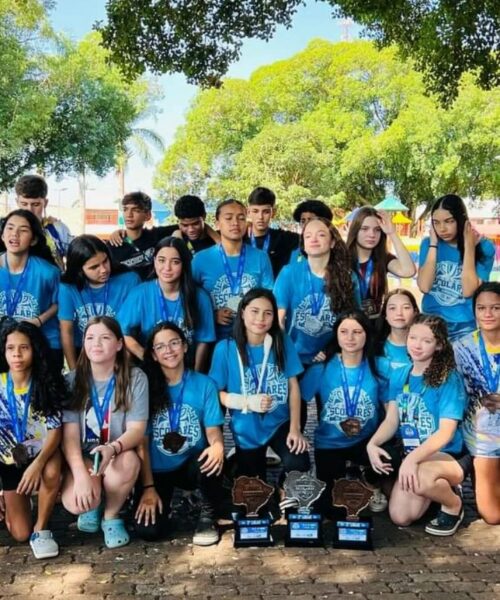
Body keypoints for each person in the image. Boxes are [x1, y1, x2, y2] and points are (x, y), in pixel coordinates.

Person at [367, 314, 469, 536]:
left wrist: (411, 460)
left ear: (439, 345)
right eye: (413, 338)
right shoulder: (401, 374)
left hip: (448, 455)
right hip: (417, 455)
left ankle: (452, 504)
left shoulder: (448, 378)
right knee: (400, 517)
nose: (417, 345)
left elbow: (445, 433)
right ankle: (435, 489)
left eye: (427, 340)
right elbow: (392, 419)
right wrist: (372, 444)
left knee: (421, 479)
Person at [209, 289, 309, 496]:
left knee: (299, 460)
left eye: (268, 313)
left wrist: (295, 428)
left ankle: (283, 488)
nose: (260, 319)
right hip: (247, 429)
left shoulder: (281, 341)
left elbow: (293, 386)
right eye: (254, 311)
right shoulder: (225, 348)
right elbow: (216, 394)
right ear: (243, 312)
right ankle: (237, 460)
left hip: (279, 423)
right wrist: (245, 402)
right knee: (253, 492)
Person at [61, 317, 148, 549]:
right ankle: (95, 500)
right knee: (77, 503)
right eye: (90, 338)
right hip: (85, 457)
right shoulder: (70, 381)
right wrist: (80, 475)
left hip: (117, 454)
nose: (96, 344)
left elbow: (137, 430)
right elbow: (69, 436)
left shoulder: (135, 378)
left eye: (105, 337)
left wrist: (113, 448)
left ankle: (111, 514)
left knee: (129, 462)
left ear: (119, 344)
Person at [134, 323, 224, 545]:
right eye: (161, 346)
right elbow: (142, 443)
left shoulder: (205, 384)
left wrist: (218, 445)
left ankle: (207, 515)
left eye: (174, 343)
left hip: (190, 464)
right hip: (155, 470)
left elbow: (213, 430)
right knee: (150, 532)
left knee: (210, 456)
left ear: (184, 347)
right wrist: (148, 488)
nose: (169, 350)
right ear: (153, 355)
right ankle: (167, 513)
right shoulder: (144, 387)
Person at [300, 311, 391, 515]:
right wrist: (296, 431)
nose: (350, 338)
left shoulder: (380, 366)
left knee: (391, 456)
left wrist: (378, 442)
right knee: (332, 511)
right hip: (330, 443)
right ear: (337, 335)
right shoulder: (321, 367)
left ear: (367, 334)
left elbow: (390, 411)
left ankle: (370, 479)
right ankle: (339, 474)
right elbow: (299, 399)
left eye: (357, 332)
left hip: (368, 441)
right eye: (344, 332)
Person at [0, 320, 66, 559]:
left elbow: (55, 431)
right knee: (19, 533)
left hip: (41, 455)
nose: (17, 354)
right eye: (10, 348)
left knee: (51, 469)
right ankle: (16, 504)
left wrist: (37, 465)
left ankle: (42, 528)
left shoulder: (45, 384)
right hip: (8, 461)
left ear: (34, 350)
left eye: (24, 347)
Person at [117, 237, 215, 371]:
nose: (167, 268)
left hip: (186, 369)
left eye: (175, 262)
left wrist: (195, 377)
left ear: (184, 264)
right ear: (155, 261)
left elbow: (203, 341)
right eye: (161, 260)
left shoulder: (200, 297)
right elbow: (122, 332)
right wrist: (147, 358)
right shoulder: (140, 294)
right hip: (152, 370)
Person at [274, 217, 359, 366]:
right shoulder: (289, 273)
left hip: (329, 357)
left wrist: (331, 349)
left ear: (332, 242)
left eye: (321, 234)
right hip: (292, 356)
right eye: (308, 236)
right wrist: (285, 353)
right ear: (304, 245)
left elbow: (353, 320)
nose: (313, 239)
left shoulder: (347, 277)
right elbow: (278, 319)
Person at [192, 199, 274, 340]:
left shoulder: (261, 257)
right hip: (213, 339)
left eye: (241, 218)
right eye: (228, 218)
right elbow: (189, 298)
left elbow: (269, 298)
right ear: (217, 223)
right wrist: (212, 314)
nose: (235, 223)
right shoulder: (200, 259)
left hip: (250, 337)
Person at [417, 194, 495, 341]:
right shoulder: (428, 244)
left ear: (462, 220)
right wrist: (433, 244)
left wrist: (469, 247)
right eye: (436, 222)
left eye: (449, 221)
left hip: (464, 326)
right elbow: (424, 286)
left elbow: (468, 290)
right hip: (431, 322)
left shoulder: (485, 247)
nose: (442, 228)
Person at [454, 282, 500, 525]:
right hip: (482, 438)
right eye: (482, 308)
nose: (488, 314)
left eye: (495, 308)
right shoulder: (461, 348)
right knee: (493, 515)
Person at [59, 235, 140, 369]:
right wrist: (74, 372)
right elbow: (66, 330)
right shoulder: (67, 287)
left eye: (105, 261)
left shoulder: (129, 281)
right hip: (85, 351)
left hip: (120, 350)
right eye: (94, 267)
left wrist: (123, 369)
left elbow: (132, 330)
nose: (103, 269)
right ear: (79, 270)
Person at [0, 210, 63, 371]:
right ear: (2, 235)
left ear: (33, 239)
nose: (15, 234)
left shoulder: (48, 272)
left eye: (23, 230)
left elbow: (60, 303)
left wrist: (38, 321)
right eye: (10, 228)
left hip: (43, 342)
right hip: (4, 345)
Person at [346, 207, 416, 318]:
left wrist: (392, 233)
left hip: (375, 325)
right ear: (355, 230)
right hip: (349, 325)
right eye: (365, 229)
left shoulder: (383, 258)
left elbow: (408, 271)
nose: (372, 234)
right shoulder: (342, 258)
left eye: (377, 229)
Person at [107, 192, 178, 280]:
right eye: (125, 209)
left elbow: (185, 225)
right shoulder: (113, 245)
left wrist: (178, 235)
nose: (129, 215)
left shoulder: (156, 235)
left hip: (153, 290)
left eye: (135, 210)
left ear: (147, 215)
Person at [15, 174, 73, 270]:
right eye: (24, 204)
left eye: (36, 204)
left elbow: (77, 259)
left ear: (45, 203)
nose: (29, 210)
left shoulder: (58, 229)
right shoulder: (6, 230)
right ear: (17, 202)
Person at [245, 187, 299, 277]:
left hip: (275, 290)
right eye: (255, 211)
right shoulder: (239, 238)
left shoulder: (285, 239)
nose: (260, 217)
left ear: (273, 212)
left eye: (265, 212)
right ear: (248, 212)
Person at [376, 288, 419, 368]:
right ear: (385, 314)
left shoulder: (423, 348)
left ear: (415, 313)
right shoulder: (374, 347)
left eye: (406, 307)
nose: (399, 313)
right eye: (392, 308)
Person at [288, 199, 334, 264]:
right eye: (303, 221)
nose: (306, 225)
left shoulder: (336, 253)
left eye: (310, 220)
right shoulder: (296, 251)